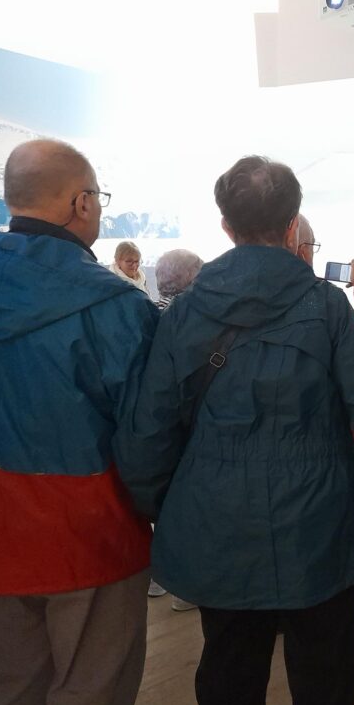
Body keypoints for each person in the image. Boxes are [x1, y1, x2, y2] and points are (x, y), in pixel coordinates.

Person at [115, 155, 354, 705]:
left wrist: (164, 505)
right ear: (291, 226)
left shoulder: (185, 311)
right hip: (322, 525)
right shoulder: (326, 307)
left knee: (227, 683)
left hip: (218, 523)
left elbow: (149, 428)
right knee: (326, 688)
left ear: (225, 225)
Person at [0, 139, 156, 705]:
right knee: (90, 688)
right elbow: (145, 433)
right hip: (92, 528)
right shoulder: (118, 304)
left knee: (9, 679)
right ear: (81, 203)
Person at [148, 248, 205, 609]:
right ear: (191, 278)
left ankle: (158, 579)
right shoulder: (192, 317)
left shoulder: (149, 311)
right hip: (188, 427)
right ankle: (186, 590)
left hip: (157, 425)